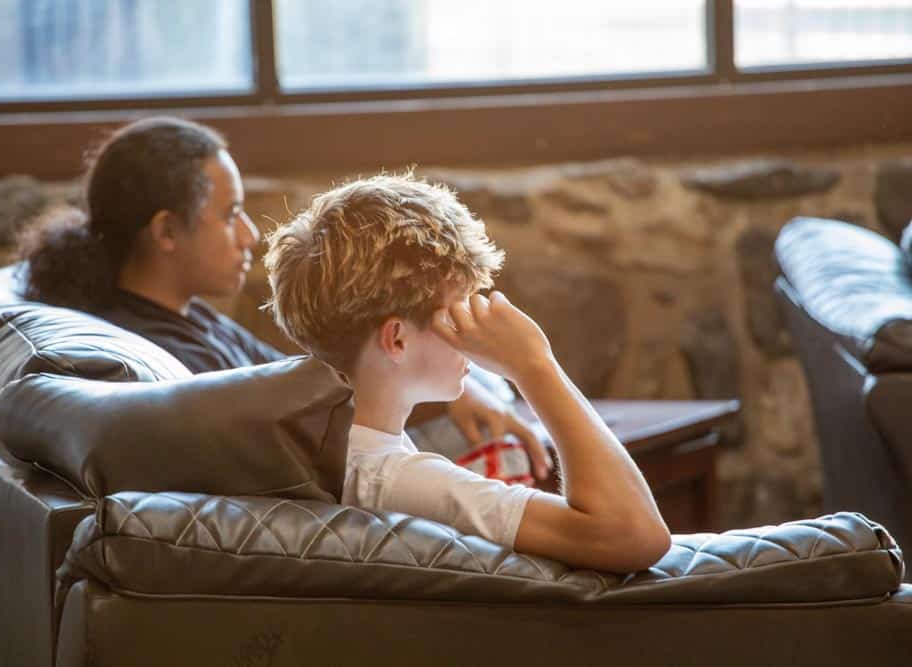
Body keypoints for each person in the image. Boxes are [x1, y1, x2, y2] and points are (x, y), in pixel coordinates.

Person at [16, 116, 549, 478]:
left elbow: (320, 388)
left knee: (486, 390)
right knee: (519, 435)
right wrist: (450, 395)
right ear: (167, 232)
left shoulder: (188, 317)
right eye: (229, 215)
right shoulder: (168, 352)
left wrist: (456, 391)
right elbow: (315, 422)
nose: (250, 235)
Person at [263, 174, 671, 572]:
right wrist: (535, 367)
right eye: (458, 309)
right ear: (397, 339)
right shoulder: (397, 481)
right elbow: (635, 535)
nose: (471, 325)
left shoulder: (330, 448)